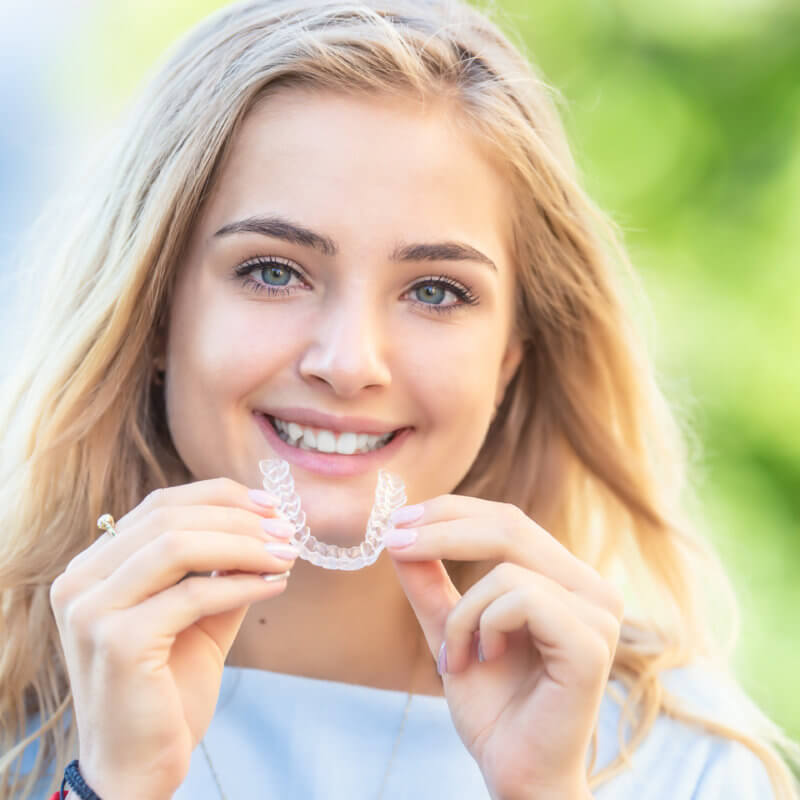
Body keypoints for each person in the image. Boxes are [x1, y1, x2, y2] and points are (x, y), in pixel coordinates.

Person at [1, 0, 798, 797]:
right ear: (155, 317)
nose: (350, 363)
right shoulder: (19, 727)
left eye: (436, 291)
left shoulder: (686, 764)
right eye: (273, 271)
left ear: (511, 359)